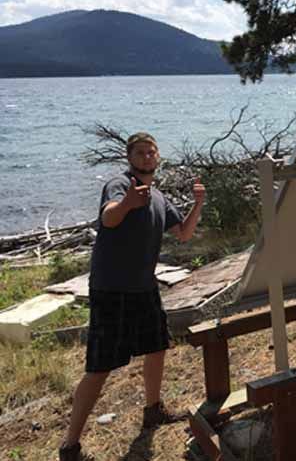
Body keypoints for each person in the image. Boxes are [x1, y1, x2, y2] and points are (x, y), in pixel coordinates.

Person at [59, 133, 206, 461]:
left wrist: (198, 204)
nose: (147, 156)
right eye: (140, 152)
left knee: (157, 347)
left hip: (144, 287)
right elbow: (109, 217)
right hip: (112, 288)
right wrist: (127, 203)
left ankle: (153, 410)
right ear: (130, 157)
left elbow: (183, 234)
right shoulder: (120, 185)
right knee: (100, 366)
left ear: (158, 156)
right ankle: (70, 445)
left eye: (151, 151)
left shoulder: (157, 196)